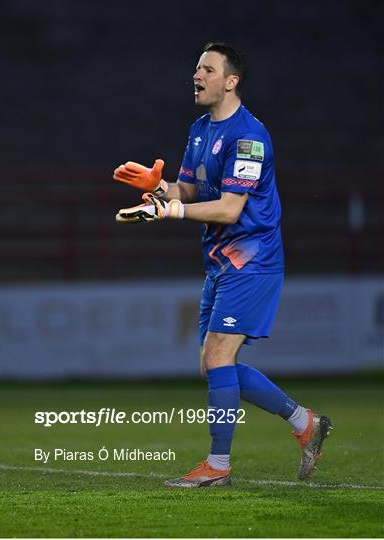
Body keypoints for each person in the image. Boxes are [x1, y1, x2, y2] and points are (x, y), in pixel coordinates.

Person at [113, 42, 333, 488]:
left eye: (208, 69)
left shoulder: (249, 137)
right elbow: (190, 193)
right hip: (219, 262)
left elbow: (230, 209)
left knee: (217, 358)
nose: (197, 74)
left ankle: (218, 466)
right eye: (196, 67)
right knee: (213, 366)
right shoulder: (200, 129)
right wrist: (161, 189)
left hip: (253, 259)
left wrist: (167, 212)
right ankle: (304, 421)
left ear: (231, 81)